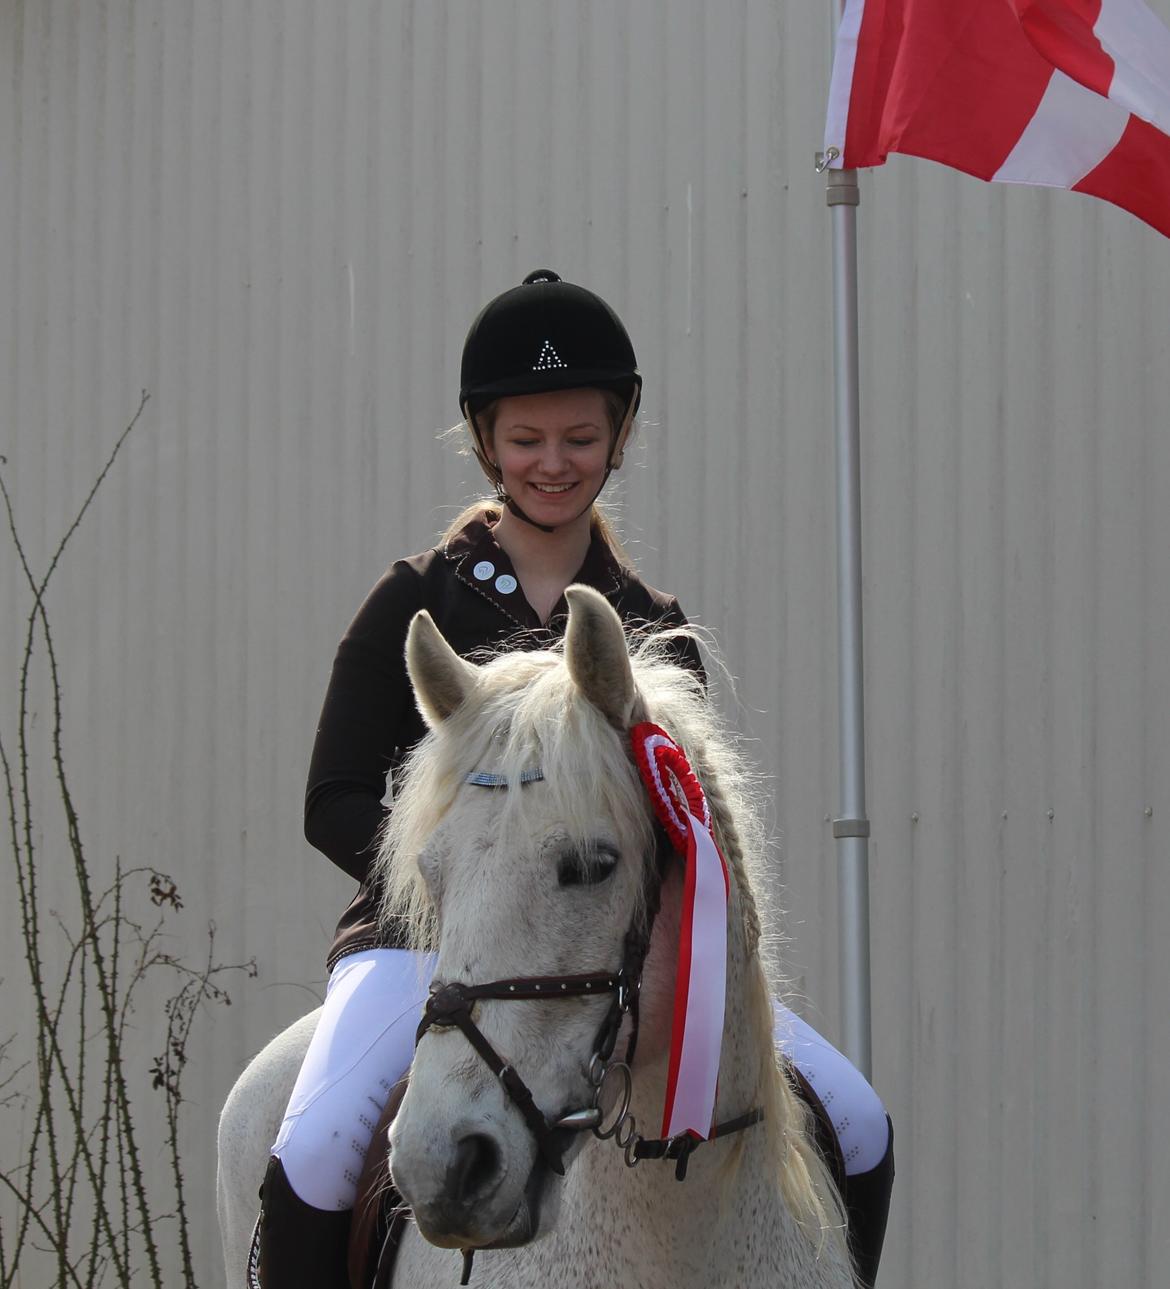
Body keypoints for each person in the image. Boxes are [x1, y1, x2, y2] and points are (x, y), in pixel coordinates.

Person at [255, 271, 894, 1288]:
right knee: (316, 1143)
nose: (553, 462)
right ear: (485, 441)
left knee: (856, 1116)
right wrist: (465, 882)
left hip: (613, 957)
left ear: (620, 433)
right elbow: (329, 796)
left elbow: (690, 838)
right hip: (427, 944)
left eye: (580, 438)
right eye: (526, 439)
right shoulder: (414, 599)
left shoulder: (648, 625)